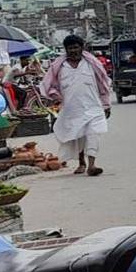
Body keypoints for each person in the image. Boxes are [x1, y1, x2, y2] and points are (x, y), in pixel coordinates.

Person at [39, 35, 111, 177]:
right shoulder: (59, 67)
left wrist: (106, 104)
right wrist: (55, 96)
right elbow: (50, 86)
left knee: (93, 134)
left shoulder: (92, 64)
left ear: (81, 47)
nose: (73, 50)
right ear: (66, 50)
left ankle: (92, 165)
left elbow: (103, 84)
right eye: (70, 48)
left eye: (76, 47)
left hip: (94, 106)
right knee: (77, 136)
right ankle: (81, 162)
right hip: (72, 108)